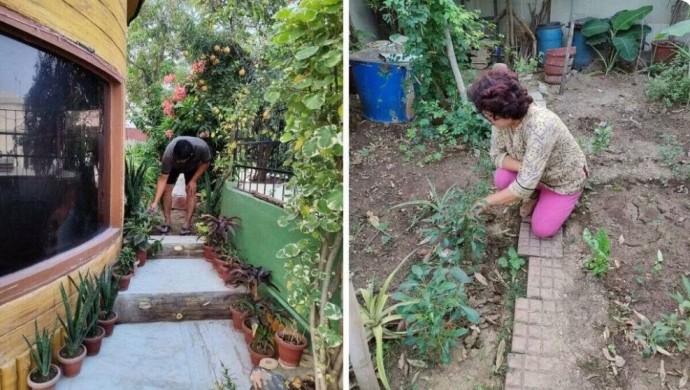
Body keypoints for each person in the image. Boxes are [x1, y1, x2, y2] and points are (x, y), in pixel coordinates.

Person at [469, 67, 588, 238]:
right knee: (501, 177)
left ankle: (569, 194)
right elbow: (496, 156)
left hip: (562, 180)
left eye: (489, 115)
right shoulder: (500, 123)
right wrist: (526, 168)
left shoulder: (542, 125)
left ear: (506, 111)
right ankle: (535, 193)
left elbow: (523, 185)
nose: (487, 118)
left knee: (542, 229)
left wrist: (487, 201)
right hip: (534, 174)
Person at [149, 136, 212, 235]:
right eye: (177, 159)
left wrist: (193, 180)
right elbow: (163, 179)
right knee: (167, 189)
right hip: (173, 168)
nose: (178, 161)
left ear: (191, 155)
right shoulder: (168, 155)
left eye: (180, 160)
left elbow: (206, 162)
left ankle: (186, 224)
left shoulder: (202, 147)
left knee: (191, 190)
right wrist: (155, 202)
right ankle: (167, 222)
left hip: (192, 167)